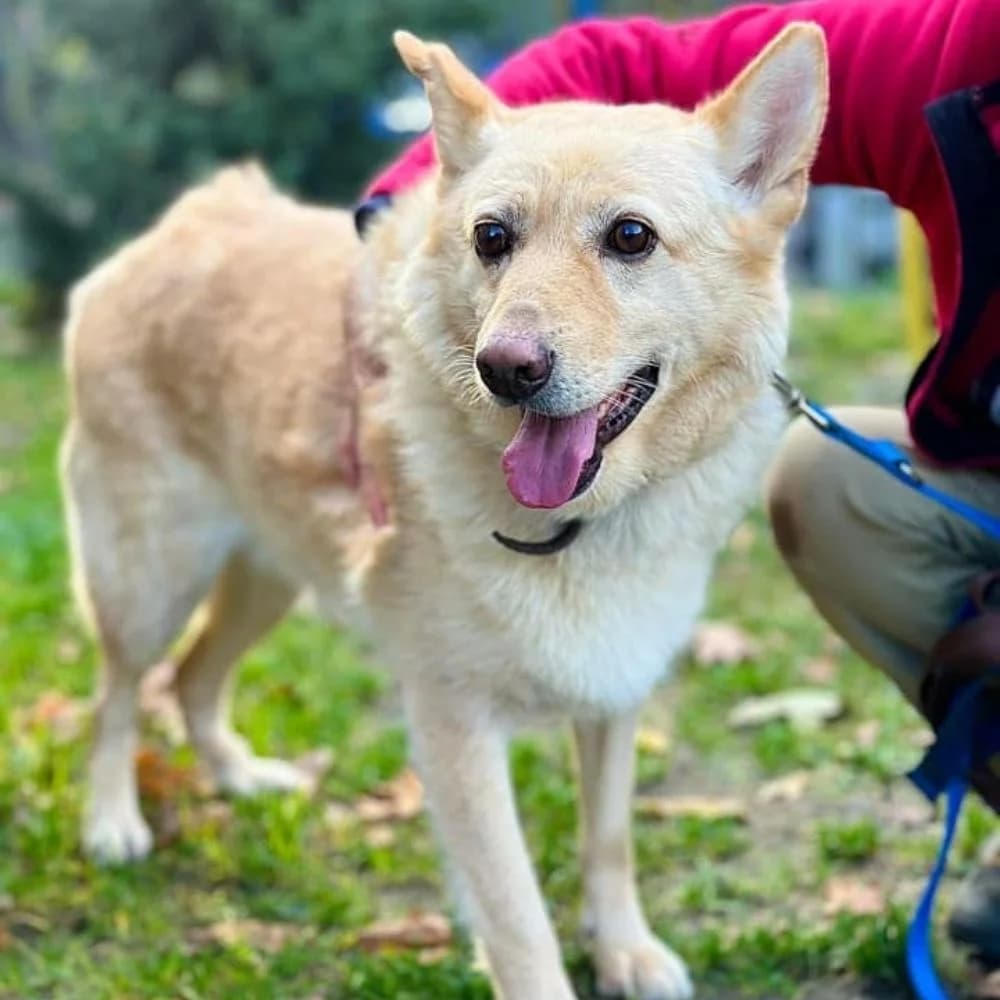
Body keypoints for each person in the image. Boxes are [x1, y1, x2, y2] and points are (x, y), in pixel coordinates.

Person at [354, 0, 1000, 964]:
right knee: (831, 481)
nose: (512, 349)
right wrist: (379, 245)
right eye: (496, 246)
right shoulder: (967, 55)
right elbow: (620, 56)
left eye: (628, 239)